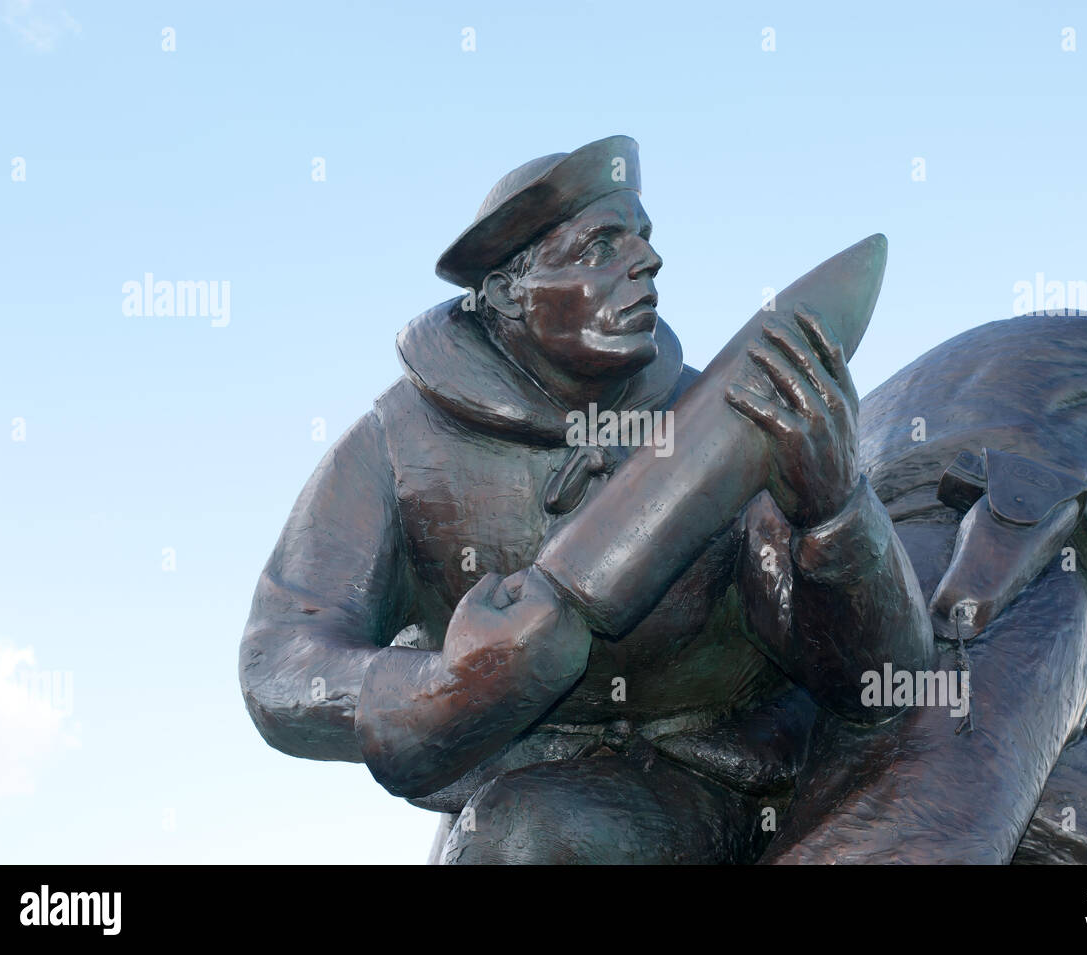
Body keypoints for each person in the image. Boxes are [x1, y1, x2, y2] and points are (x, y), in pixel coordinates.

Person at [239, 135, 933, 864]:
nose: (647, 260)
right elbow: (280, 658)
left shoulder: (727, 426)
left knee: (536, 838)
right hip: (513, 792)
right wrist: (443, 691)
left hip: (719, 779)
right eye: (601, 245)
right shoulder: (396, 442)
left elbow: (884, 688)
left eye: (643, 238)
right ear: (510, 290)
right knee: (521, 834)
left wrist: (834, 514)